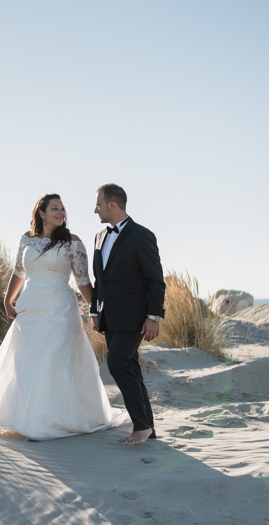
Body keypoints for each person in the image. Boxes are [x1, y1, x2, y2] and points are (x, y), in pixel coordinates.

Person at [0, 193, 128, 441]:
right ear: (41, 213)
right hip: (30, 310)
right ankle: (28, 420)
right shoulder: (27, 239)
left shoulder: (73, 242)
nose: (60, 212)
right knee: (29, 362)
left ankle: (49, 422)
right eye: (54, 208)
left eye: (63, 208)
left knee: (53, 361)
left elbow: (83, 281)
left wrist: (97, 310)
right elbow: (18, 272)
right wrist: (7, 299)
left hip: (60, 310)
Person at [90, 183, 166, 446]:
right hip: (109, 317)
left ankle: (142, 426)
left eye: (98, 204)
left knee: (117, 363)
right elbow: (99, 280)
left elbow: (156, 280)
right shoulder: (100, 236)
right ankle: (148, 427)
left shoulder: (142, 235)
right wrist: (94, 311)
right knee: (130, 366)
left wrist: (153, 316)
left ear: (112, 204)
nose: (95, 209)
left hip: (134, 317)